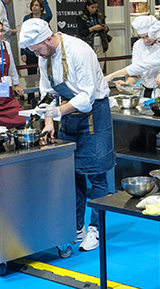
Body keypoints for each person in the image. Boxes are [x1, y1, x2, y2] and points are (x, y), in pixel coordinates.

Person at [19, 18, 114, 252]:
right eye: (32, 51)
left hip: (94, 112)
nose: (37, 55)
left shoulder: (78, 51)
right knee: (73, 172)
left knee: (96, 173)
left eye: (37, 49)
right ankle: (76, 225)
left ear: (48, 39)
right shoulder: (44, 56)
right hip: (68, 113)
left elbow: (87, 96)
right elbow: (47, 91)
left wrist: (58, 110)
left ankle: (96, 229)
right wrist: (49, 120)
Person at [121, 15, 160, 99]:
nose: (146, 40)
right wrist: (126, 85)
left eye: (147, 36)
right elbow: (137, 72)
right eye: (142, 37)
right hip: (146, 88)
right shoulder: (138, 45)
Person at [21, 0, 53, 77]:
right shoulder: (27, 18)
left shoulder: (45, 18)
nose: (34, 7)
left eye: (37, 5)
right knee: (31, 74)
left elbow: (50, 14)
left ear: (41, 8)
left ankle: (42, 90)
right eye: (33, 5)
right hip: (30, 51)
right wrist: (22, 53)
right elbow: (23, 36)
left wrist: (44, 0)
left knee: (44, 73)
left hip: (43, 50)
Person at [76, 0, 111, 64]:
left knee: (101, 63)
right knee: (90, 63)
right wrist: (93, 28)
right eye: (92, 7)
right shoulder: (82, 18)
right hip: (89, 42)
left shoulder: (99, 16)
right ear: (87, 7)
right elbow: (81, 33)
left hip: (100, 40)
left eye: (96, 7)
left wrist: (105, 28)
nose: (94, 9)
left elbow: (106, 29)